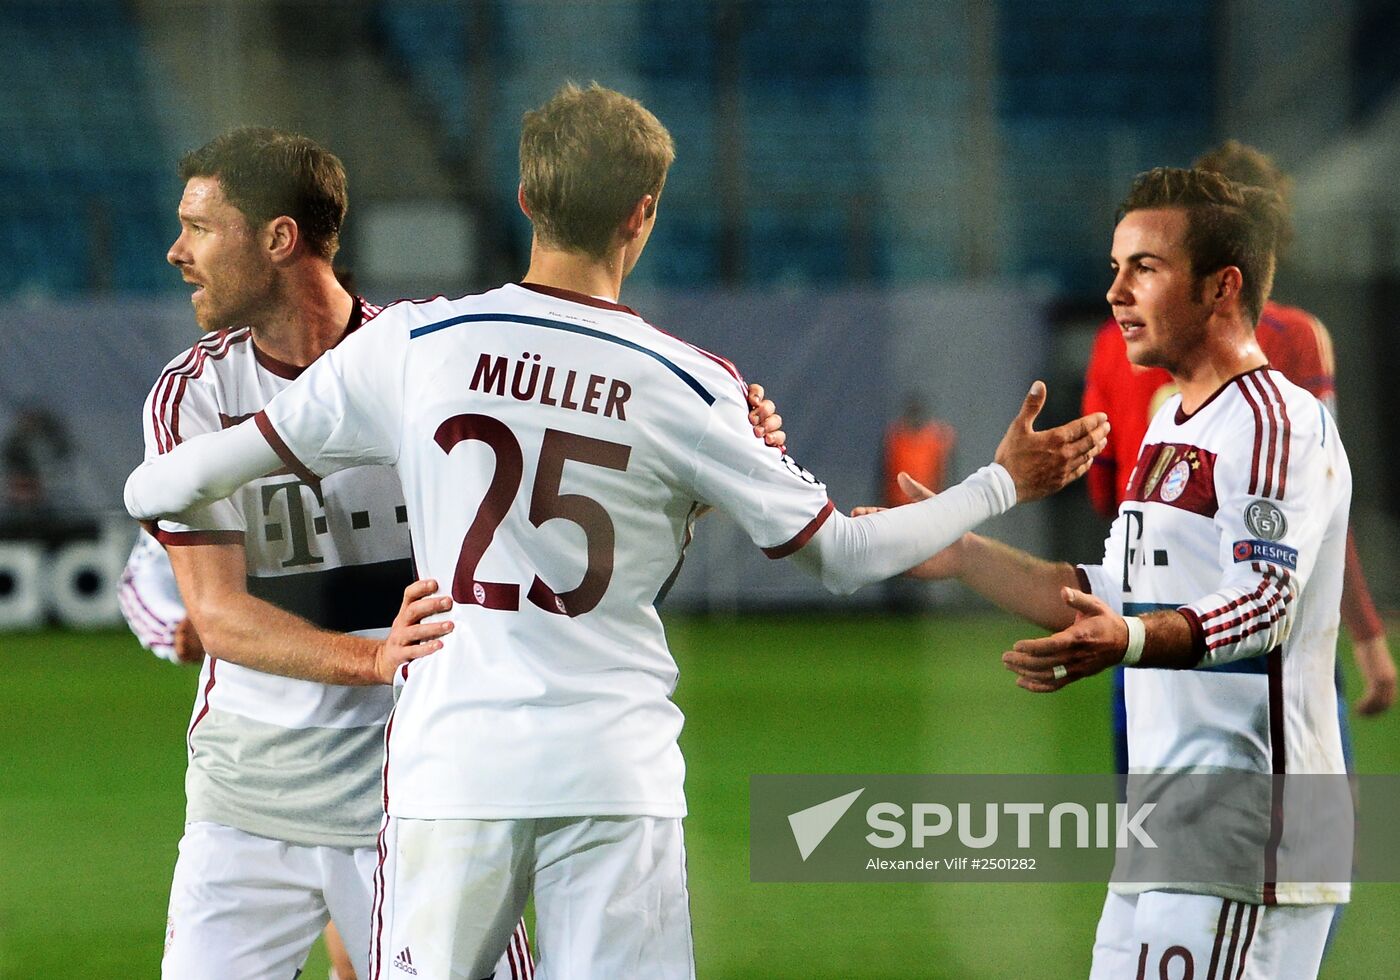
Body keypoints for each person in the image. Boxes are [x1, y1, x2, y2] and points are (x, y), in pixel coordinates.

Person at [124, 82, 1110, 977]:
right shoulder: (688, 384)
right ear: (642, 213)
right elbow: (846, 554)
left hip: (453, 767)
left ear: (524, 200)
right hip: (612, 767)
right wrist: (995, 481)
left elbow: (169, 483)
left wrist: (153, 484)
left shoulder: (417, 344)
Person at [892, 167, 1349, 978]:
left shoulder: (1279, 421)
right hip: (1165, 824)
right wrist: (962, 554)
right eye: (1114, 268)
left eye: (1144, 267)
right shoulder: (1170, 416)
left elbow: (1267, 603)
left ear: (1222, 287)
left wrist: (1131, 638)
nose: (1115, 292)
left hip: (1252, 832)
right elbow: (1116, 590)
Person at [138, 127, 531, 980]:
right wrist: (376, 658)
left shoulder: (435, 361)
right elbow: (217, 615)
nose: (177, 252)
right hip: (248, 805)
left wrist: (728, 429)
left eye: (200, 228)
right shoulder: (194, 397)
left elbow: (574, 440)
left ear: (279, 239)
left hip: (420, 794)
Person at [1082, 141, 1395, 776]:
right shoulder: (1296, 337)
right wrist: (1367, 636)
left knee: (1152, 841)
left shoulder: (1116, 342)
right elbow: (1326, 511)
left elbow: (1103, 489)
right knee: (1294, 839)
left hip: (1146, 620)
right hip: (1256, 631)